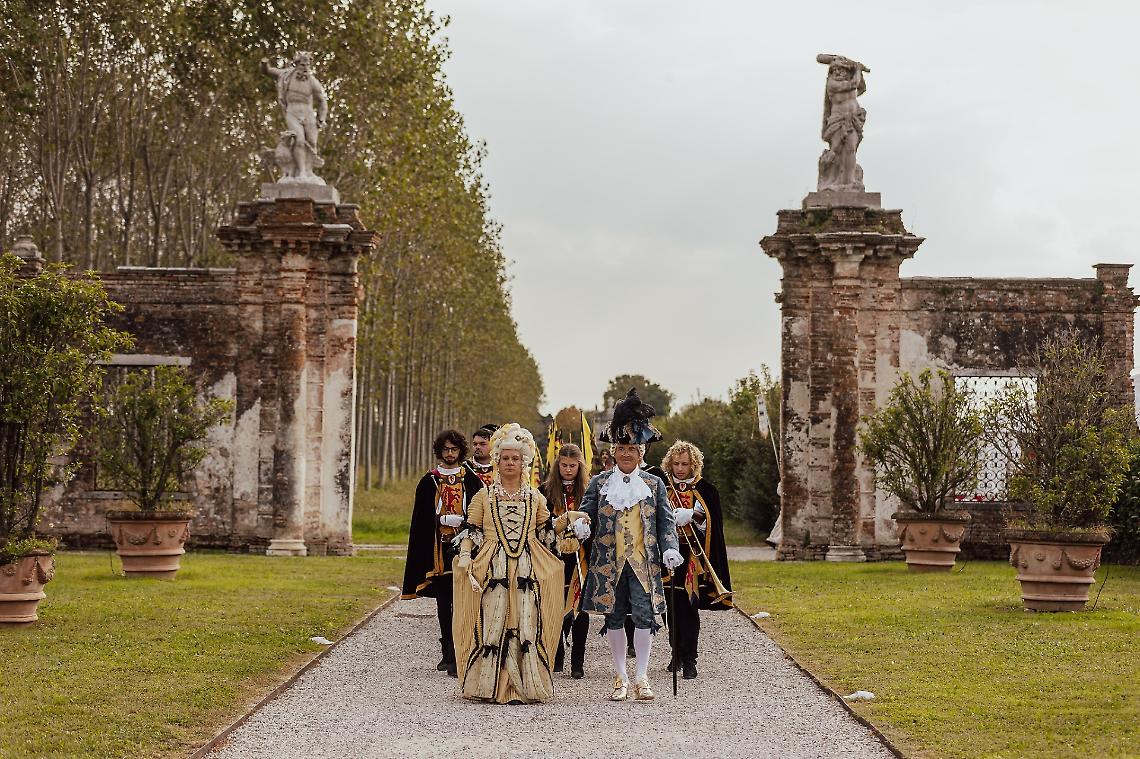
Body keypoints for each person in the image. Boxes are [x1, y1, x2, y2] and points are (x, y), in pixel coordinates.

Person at [451, 424, 587, 703]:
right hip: (493, 567)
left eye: (515, 459)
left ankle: (524, 686)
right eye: (505, 458)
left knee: (525, 623)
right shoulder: (483, 496)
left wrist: (569, 518)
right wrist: (465, 557)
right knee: (493, 623)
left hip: (526, 568)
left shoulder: (535, 497)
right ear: (497, 461)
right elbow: (471, 530)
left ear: (523, 462)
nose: (510, 463)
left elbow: (545, 533)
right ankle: (488, 685)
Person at [574, 389, 682, 702]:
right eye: (621, 448)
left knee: (645, 617)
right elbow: (586, 511)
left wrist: (670, 547)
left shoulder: (653, 483)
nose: (626, 454)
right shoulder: (599, 482)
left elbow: (665, 522)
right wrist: (581, 525)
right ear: (613, 451)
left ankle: (641, 676)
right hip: (609, 562)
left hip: (643, 562)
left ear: (641, 453)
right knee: (614, 617)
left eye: (631, 449)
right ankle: (620, 676)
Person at [401, 429, 486, 677]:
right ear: (440, 451)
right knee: (443, 604)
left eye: (454, 449)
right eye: (446, 450)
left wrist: (466, 521)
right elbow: (421, 520)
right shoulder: (429, 481)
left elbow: (480, 511)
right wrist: (439, 518)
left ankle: (462, 650)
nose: (450, 454)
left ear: (461, 451)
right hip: (439, 550)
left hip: (466, 548)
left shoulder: (471, 480)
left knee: (464, 602)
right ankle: (447, 652)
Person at [659, 440, 733, 680]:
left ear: (694, 465)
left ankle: (691, 659)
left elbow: (713, 523)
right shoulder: (662, 487)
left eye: (685, 464)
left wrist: (694, 515)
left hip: (693, 556)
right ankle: (676, 652)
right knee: (671, 607)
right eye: (676, 464)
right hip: (668, 556)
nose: (680, 468)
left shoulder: (706, 489)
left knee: (688, 606)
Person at [539, 443, 591, 678]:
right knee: (554, 606)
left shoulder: (589, 491)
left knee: (581, 609)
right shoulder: (544, 491)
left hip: (581, 557)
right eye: (564, 465)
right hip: (554, 556)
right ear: (557, 465)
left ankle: (577, 661)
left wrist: (587, 530)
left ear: (579, 467)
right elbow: (540, 523)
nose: (568, 470)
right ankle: (556, 653)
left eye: (572, 466)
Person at [260, 51, 329, 182]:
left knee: (312, 142)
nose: (305, 68)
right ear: (297, 64)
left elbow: (322, 101)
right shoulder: (286, 75)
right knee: (299, 140)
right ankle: (301, 172)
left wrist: (321, 118)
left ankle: (309, 171)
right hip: (293, 112)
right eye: (303, 65)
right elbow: (268, 71)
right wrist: (264, 64)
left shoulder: (313, 82)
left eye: (308, 65)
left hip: (308, 114)